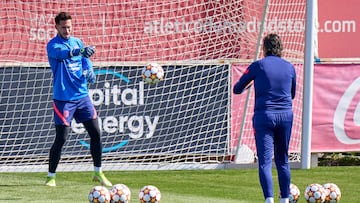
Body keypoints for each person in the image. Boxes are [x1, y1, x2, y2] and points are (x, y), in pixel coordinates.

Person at [45, 12, 112, 187]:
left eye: (69, 27)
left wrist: (89, 71)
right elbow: (65, 54)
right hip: (64, 99)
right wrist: (80, 51)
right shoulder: (53, 45)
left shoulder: (77, 41)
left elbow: (85, 60)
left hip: (82, 97)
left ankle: (98, 172)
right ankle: (51, 176)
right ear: (56, 27)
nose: (66, 30)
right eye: (63, 27)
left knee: (96, 133)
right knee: (62, 138)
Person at [233, 33, 296, 203]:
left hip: (264, 116)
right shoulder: (289, 67)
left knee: (265, 161)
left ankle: (269, 199)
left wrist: (251, 85)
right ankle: (285, 199)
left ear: (264, 48)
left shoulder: (258, 66)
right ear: (281, 48)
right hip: (285, 116)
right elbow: (292, 94)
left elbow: (237, 89)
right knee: (282, 159)